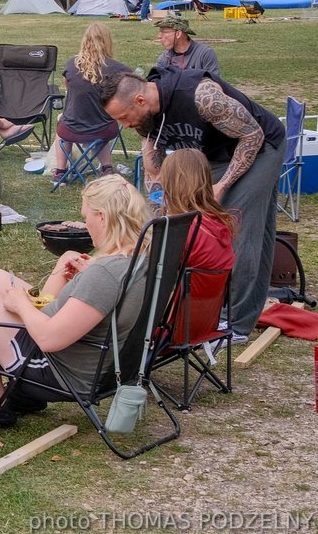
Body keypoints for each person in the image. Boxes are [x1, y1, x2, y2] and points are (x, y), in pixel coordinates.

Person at [98, 69, 284, 341]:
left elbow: (252, 136)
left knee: (237, 227)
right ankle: (227, 310)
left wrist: (222, 186)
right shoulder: (147, 114)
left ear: (139, 100)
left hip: (259, 147)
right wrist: (156, 201)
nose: (124, 125)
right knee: (254, 230)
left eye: (124, 117)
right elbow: (156, 166)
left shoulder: (201, 96)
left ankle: (235, 325)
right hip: (217, 153)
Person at [0, 176, 152, 418]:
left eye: (87, 217)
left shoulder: (106, 273)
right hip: (101, 363)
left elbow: (48, 339)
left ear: (102, 216)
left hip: (55, 368)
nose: (85, 224)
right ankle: (12, 396)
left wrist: (22, 305)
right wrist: (85, 279)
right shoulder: (142, 259)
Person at [49, 22, 131, 183]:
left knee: (61, 127)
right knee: (104, 121)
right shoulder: (118, 69)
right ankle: (106, 167)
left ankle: (60, 171)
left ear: (85, 41)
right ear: (107, 42)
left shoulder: (72, 64)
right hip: (103, 128)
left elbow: (67, 85)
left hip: (72, 128)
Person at [158, 148, 236, 275]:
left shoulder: (181, 230)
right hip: (210, 294)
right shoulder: (219, 222)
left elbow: (156, 273)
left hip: (179, 294)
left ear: (171, 183)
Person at [155, 16, 220, 76]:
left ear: (178, 34)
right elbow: (155, 82)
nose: (159, 36)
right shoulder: (164, 58)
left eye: (164, 32)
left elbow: (214, 83)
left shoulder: (204, 54)